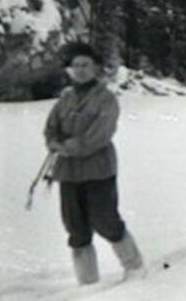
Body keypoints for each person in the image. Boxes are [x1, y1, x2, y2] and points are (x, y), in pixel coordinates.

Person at [43, 43, 145, 284]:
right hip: (68, 173)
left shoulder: (105, 98)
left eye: (85, 65)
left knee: (105, 220)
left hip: (98, 170)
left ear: (96, 68)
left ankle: (134, 266)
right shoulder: (65, 99)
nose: (80, 70)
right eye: (75, 65)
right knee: (75, 228)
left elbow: (101, 133)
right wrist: (53, 142)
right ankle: (87, 282)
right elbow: (51, 128)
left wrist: (67, 147)